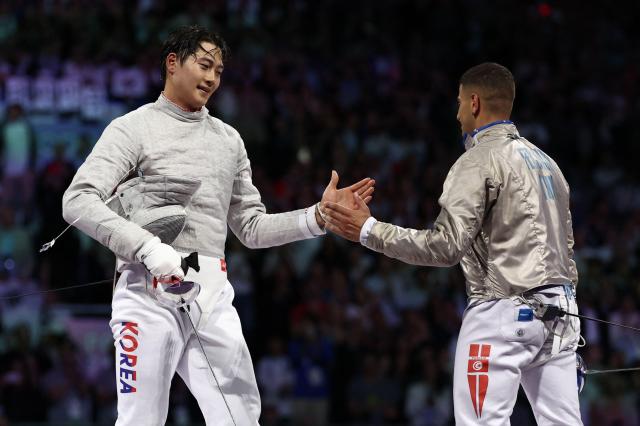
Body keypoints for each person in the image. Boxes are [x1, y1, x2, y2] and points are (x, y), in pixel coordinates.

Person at [62, 25, 374, 425]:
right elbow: (77, 199)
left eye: (220, 71)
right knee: (141, 420)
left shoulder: (229, 140)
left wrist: (316, 217)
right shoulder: (132, 128)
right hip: (146, 289)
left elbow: (251, 227)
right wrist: (148, 248)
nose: (212, 78)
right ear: (172, 63)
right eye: (204, 65)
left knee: (241, 418)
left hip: (211, 292)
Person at [322, 62, 582, 425]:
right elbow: (567, 245)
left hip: (502, 313)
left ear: (474, 102)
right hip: (562, 315)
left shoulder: (477, 160)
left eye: (459, 103)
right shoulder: (548, 163)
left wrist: (368, 229)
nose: (458, 113)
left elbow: (445, 247)